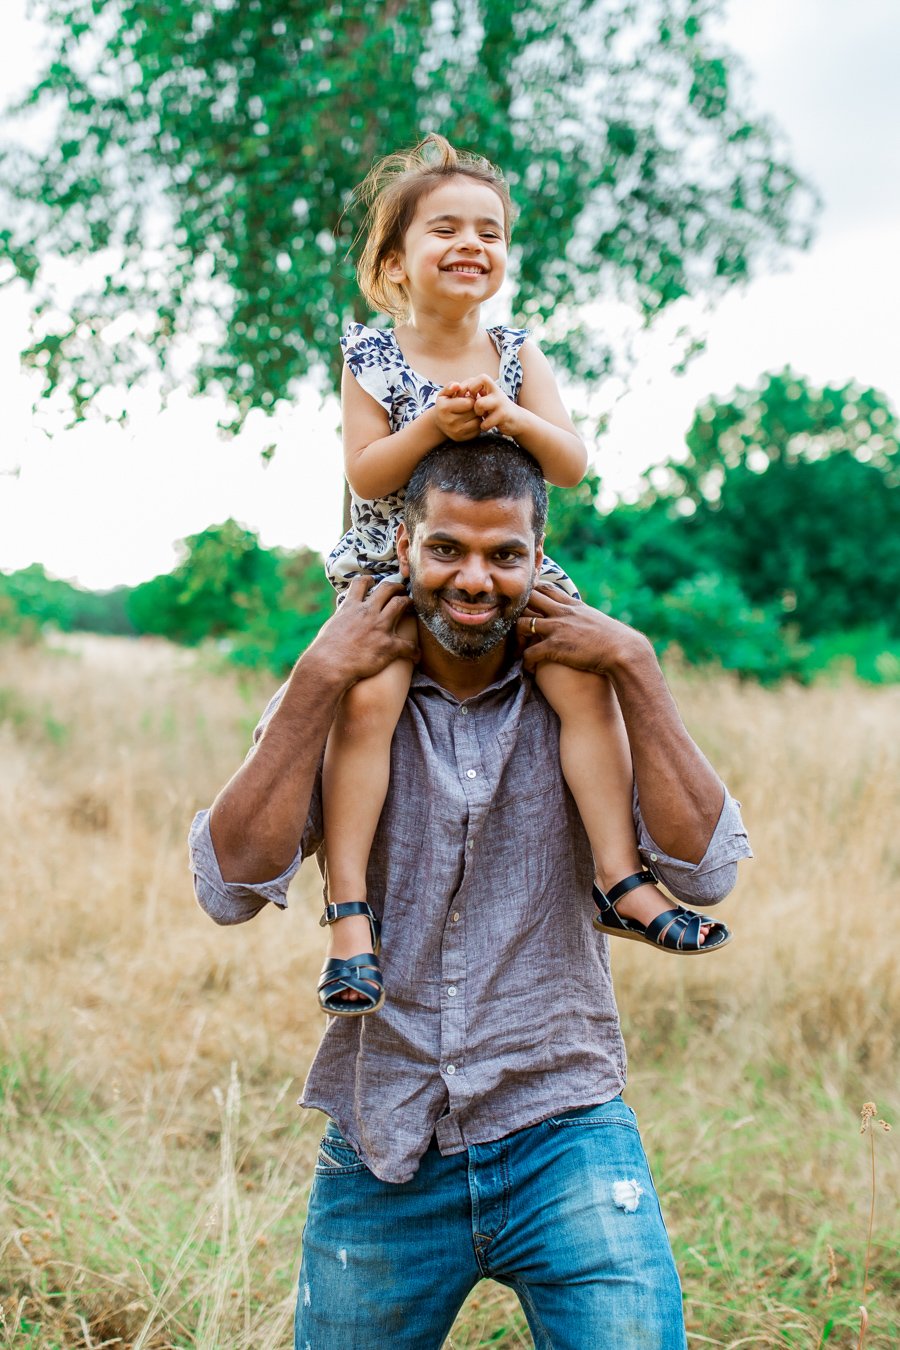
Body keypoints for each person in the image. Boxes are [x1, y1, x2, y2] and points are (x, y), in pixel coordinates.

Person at [189, 437, 752, 1349]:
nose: (476, 580)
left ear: (539, 557)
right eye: (447, 548)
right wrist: (316, 677)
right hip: (386, 1141)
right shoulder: (346, 691)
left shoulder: (582, 697)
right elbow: (228, 889)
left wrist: (638, 664)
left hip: (565, 1123)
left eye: (505, 554)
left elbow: (707, 873)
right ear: (403, 547)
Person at [320, 133, 730, 1016]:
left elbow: (572, 462)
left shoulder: (515, 352)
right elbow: (367, 475)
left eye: (491, 232)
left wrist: (508, 415)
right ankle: (349, 912)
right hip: (397, 565)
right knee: (367, 698)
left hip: (508, 566)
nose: (471, 244)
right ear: (395, 260)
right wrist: (431, 426)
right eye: (445, 229)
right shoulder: (372, 357)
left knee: (583, 682)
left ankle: (620, 877)